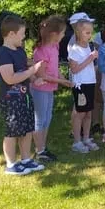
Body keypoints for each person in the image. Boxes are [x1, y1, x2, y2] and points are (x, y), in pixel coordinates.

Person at [0, 15, 45, 175]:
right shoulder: (3, 54)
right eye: (22, 33)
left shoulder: (20, 51)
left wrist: (35, 79)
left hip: (25, 97)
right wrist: (32, 70)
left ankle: (25, 159)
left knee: (27, 129)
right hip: (11, 100)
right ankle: (11, 164)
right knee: (12, 132)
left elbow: (23, 71)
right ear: (11, 34)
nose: (24, 37)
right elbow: (10, 78)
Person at [30, 15, 73, 162]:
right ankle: (40, 150)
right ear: (54, 34)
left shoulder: (55, 47)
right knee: (39, 119)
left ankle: (42, 147)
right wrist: (61, 81)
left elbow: (55, 68)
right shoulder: (41, 51)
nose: (64, 35)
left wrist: (63, 78)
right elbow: (42, 75)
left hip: (49, 89)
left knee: (47, 118)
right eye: (63, 33)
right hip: (40, 89)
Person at [69, 19, 100, 153]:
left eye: (91, 33)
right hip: (80, 85)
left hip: (90, 82)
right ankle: (77, 141)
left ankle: (86, 138)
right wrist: (90, 59)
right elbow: (74, 69)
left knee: (88, 112)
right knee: (80, 113)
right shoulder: (74, 49)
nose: (90, 35)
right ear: (78, 32)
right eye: (87, 33)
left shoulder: (89, 46)